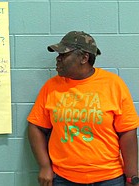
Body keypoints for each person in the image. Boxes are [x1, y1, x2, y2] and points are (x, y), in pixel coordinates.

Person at [27, 31, 139, 186]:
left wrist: (132, 177)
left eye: (64, 55)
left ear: (84, 58)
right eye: (58, 54)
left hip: (109, 178)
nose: (58, 59)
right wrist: (45, 166)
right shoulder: (52, 87)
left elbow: (127, 132)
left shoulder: (113, 84)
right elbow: (36, 127)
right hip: (63, 178)